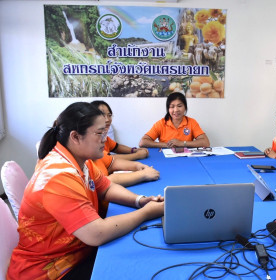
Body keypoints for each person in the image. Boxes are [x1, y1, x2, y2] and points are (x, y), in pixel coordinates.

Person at [7, 102, 164, 280]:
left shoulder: (81, 159)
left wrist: (140, 201)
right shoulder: (58, 176)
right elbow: (97, 233)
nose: (105, 139)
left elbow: (106, 187)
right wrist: (146, 213)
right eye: (99, 133)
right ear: (75, 137)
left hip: (75, 254)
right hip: (49, 271)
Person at [139, 92, 210, 148]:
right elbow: (143, 142)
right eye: (172, 107)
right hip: (165, 158)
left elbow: (206, 143)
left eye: (179, 106)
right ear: (168, 109)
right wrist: (167, 145)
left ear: (185, 107)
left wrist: (182, 143)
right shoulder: (161, 123)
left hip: (186, 158)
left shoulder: (191, 122)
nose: (176, 110)